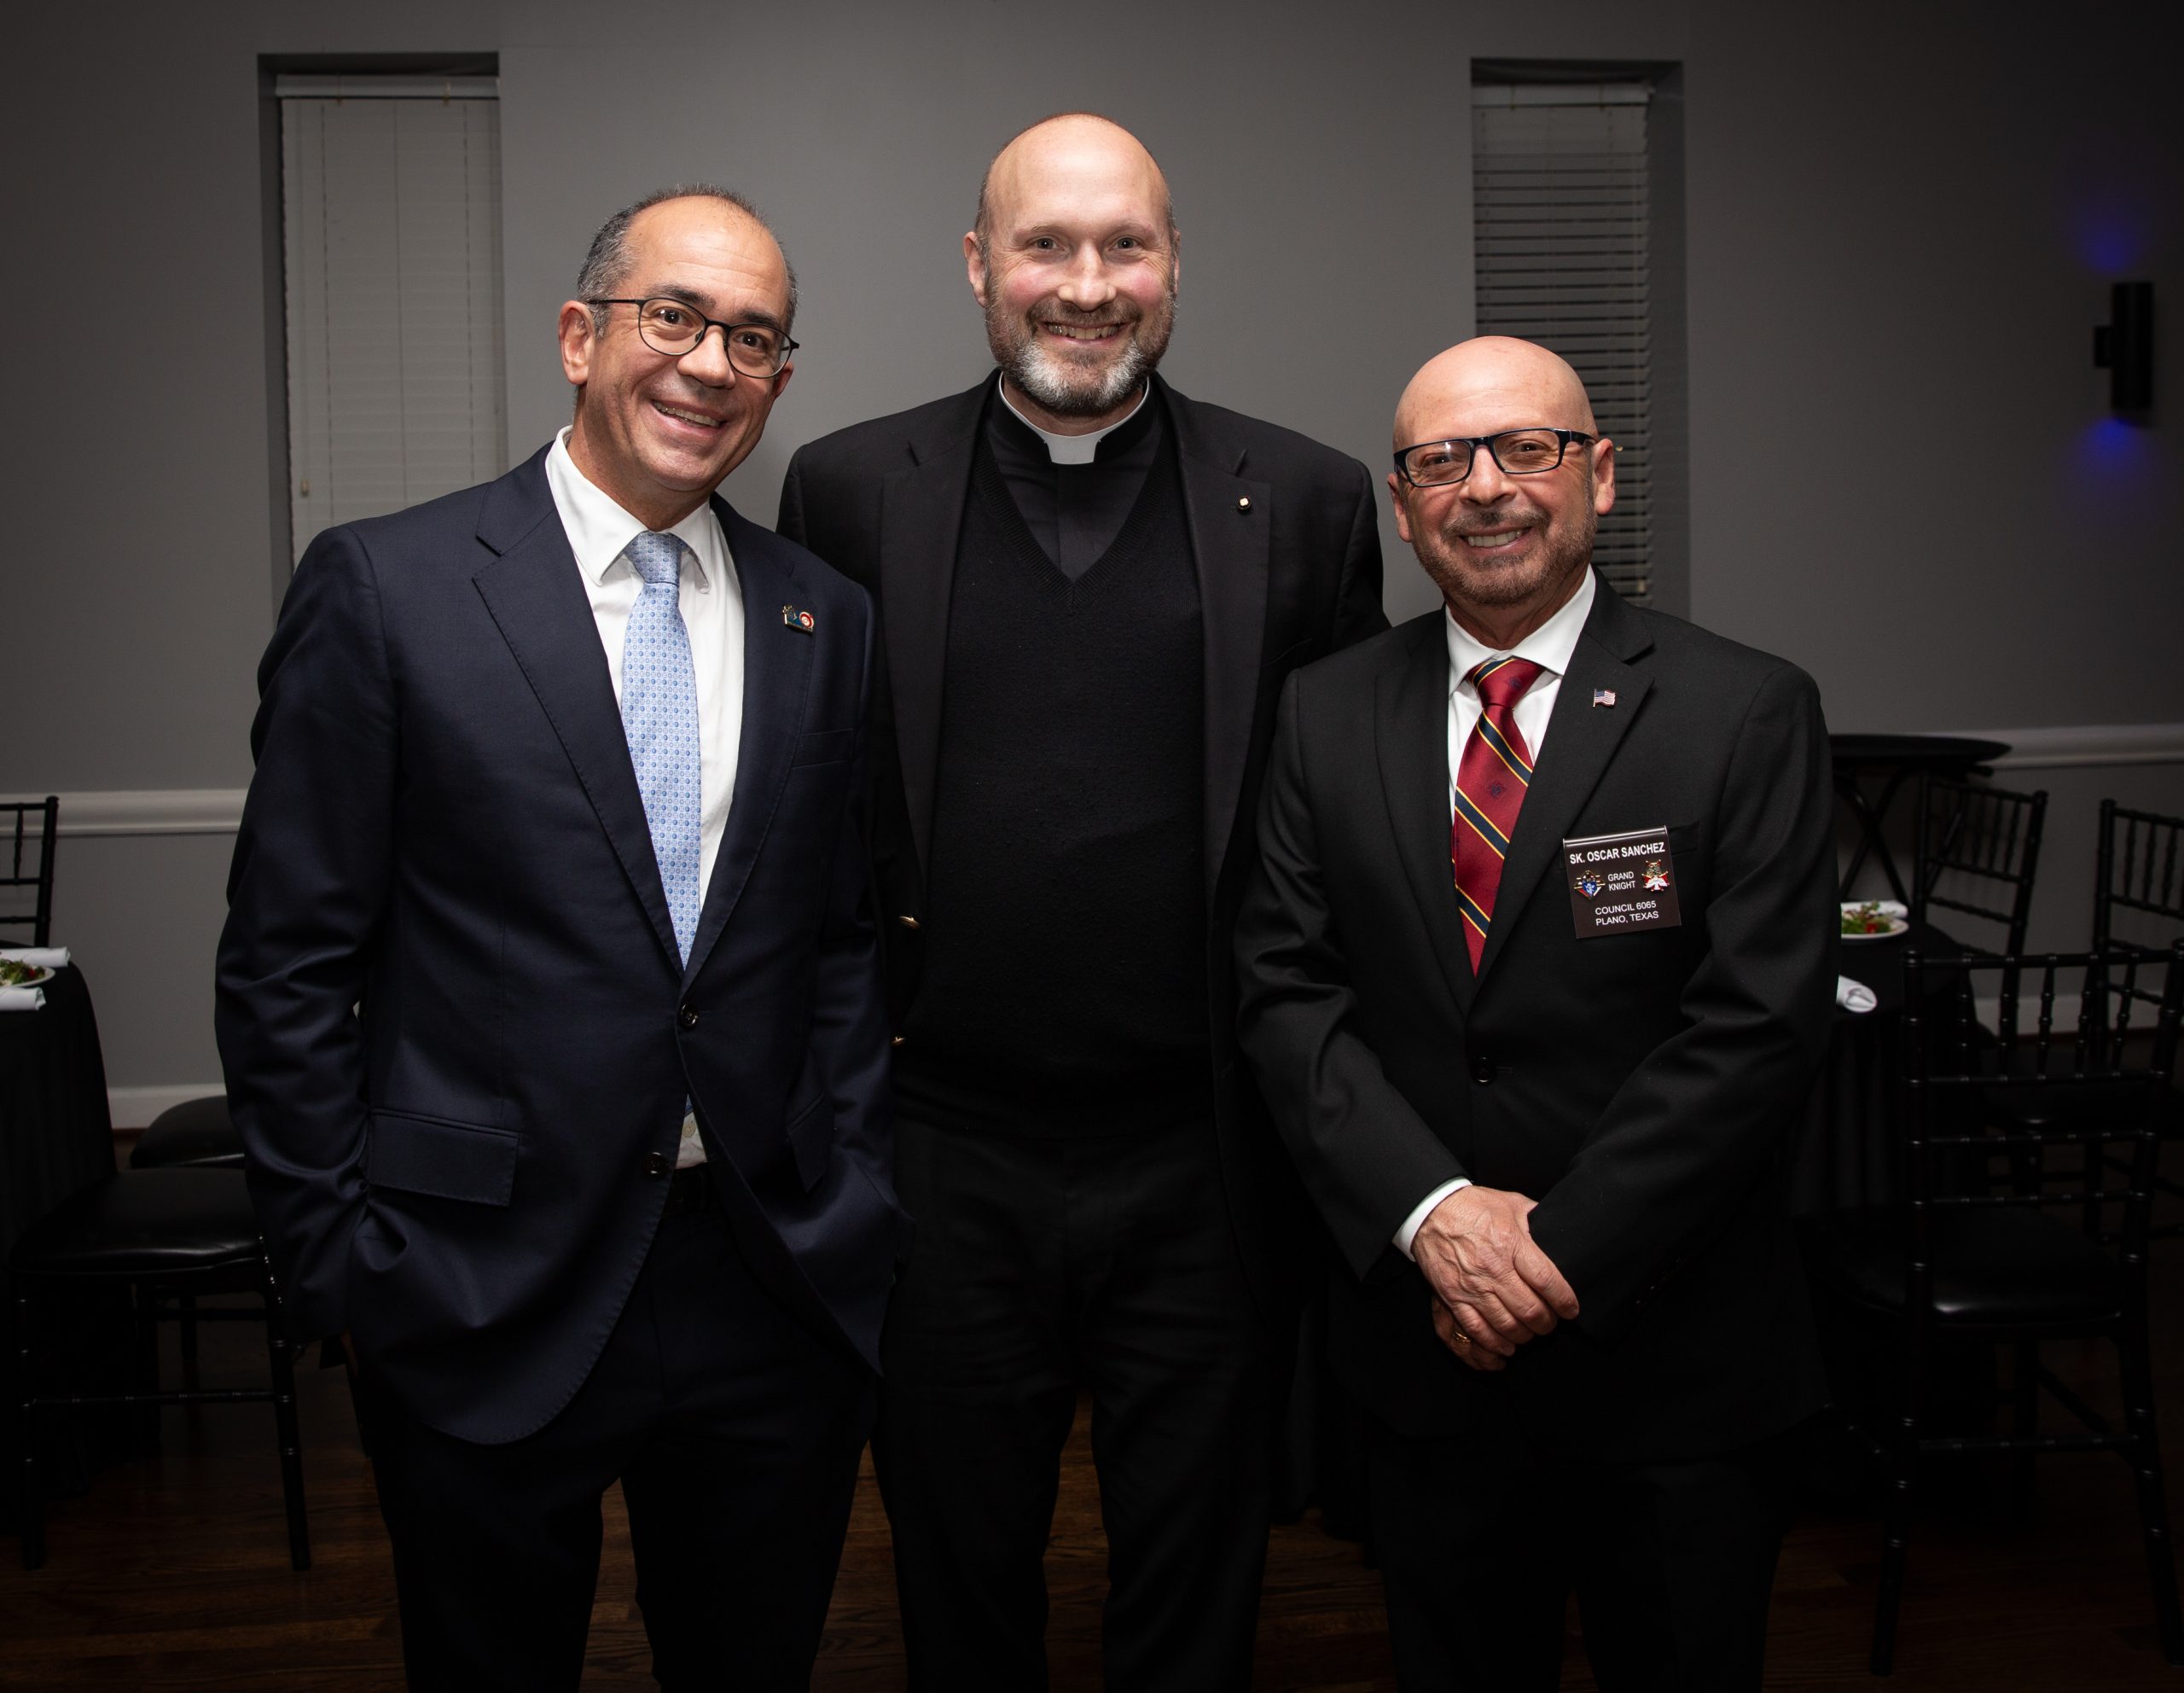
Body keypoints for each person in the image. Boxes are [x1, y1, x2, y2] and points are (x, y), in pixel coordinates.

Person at [215, 186, 904, 1692]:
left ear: (781, 378)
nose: (712, 363)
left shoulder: (824, 617)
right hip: (472, 1279)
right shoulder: (388, 588)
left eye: (754, 339)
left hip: (763, 1277)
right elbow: (285, 960)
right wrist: (339, 1264)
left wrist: (852, 1186)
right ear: (582, 337)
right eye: (676, 317)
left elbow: (839, 939)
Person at [777, 113, 1385, 1690]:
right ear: (980, 265)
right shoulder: (849, 491)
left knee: (1198, 1581)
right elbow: (813, 821)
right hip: (941, 1154)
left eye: (1127, 245)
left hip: (1205, 1160)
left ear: (1176, 263)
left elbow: (1345, 845)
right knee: (956, 1571)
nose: (1089, 283)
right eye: (1046, 244)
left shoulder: (1306, 500)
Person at [1234, 336, 1836, 1691]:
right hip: (1430, 1362)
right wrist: (1437, 1220)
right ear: (1403, 506)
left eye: (1527, 448)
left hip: (1674, 1364)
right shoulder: (1326, 712)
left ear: (1600, 475)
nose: (1487, 487)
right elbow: (1286, 989)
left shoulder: (1744, 711)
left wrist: (1547, 1258)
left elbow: (1754, 1032)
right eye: (1442, 461)